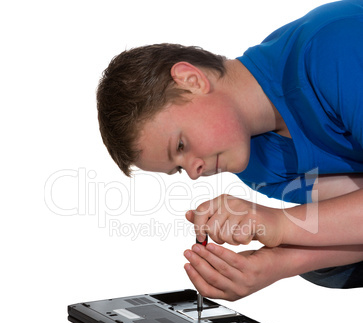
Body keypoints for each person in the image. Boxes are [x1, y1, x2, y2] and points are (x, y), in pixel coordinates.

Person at [96, 0, 363, 301]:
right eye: (179, 168)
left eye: (181, 146)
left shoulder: (332, 49)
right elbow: (350, 218)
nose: (194, 174)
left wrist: (277, 224)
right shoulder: (254, 165)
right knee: (320, 258)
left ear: (192, 81)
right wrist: (276, 262)